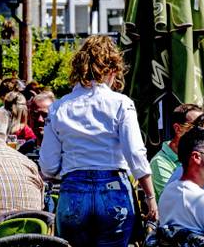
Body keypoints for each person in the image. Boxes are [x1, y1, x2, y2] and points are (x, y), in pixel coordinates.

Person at [40, 35, 156, 247]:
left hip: (73, 189)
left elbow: (48, 166)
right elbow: (136, 155)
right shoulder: (121, 103)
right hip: (114, 188)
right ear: (112, 69)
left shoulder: (58, 107)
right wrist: (150, 197)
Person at [149, 104, 203, 198]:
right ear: (178, 128)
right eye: (195, 126)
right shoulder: (160, 162)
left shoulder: (201, 153)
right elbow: (175, 199)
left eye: (203, 126)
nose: (202, 131)